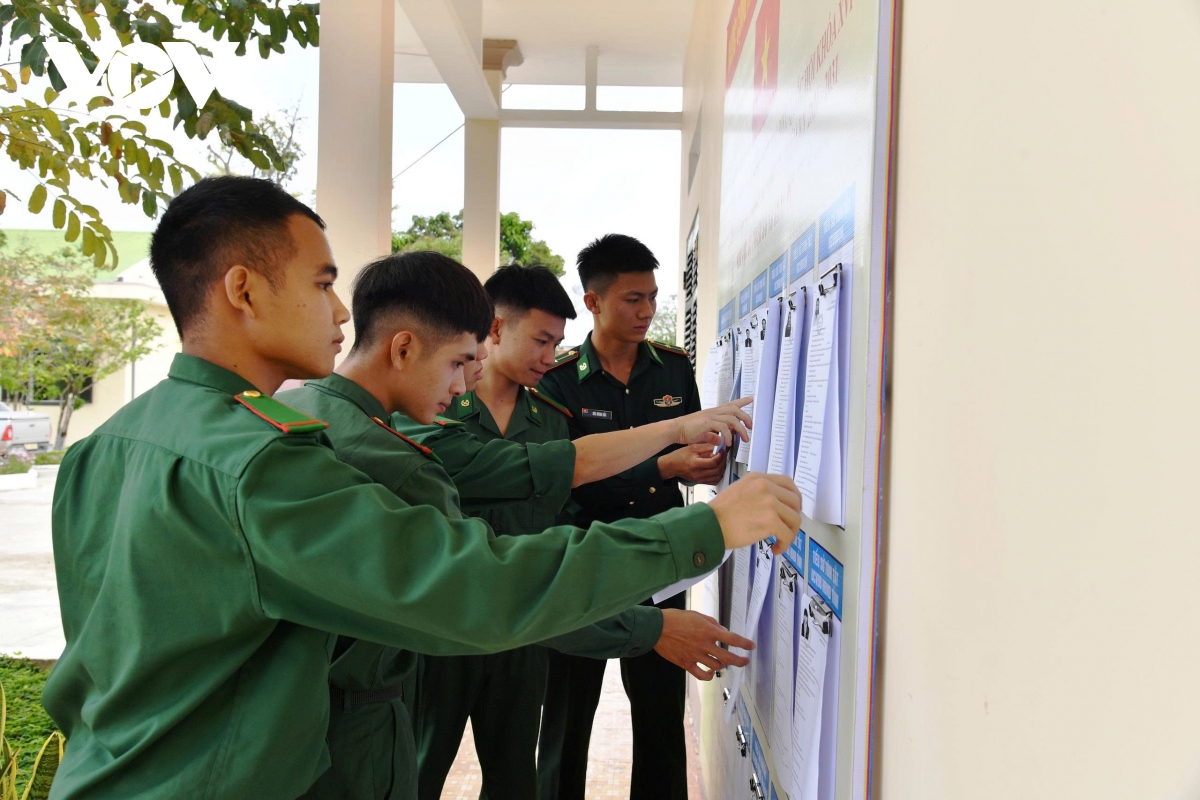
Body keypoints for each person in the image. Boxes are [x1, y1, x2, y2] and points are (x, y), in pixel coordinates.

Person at [42, 178, 804, 800]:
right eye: (321, 283)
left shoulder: (103, 447)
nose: (341, 311)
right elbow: (477, 585)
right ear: (243, 289)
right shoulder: (265, 463)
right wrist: (705, 529)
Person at [279, 255, 754, 799]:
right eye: (461, 361)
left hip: (488, 643)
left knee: (514, 773)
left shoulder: (295, 415)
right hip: (398, 678)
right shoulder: (401, 453)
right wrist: (679, 571)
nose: (465, 380)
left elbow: (546, 527)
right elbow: (497, 580)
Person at [537, 234, 728, 800]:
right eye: (632, 299)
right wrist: (664, 467)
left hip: (662, 562)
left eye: (652, 297)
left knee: (661, 718)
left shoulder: (674, 370)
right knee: (566, 720)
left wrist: (704, 465)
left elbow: (693, 452)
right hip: (581, 565)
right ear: (593, 302)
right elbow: (567, 481)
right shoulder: (557, 381)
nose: (647, 311)